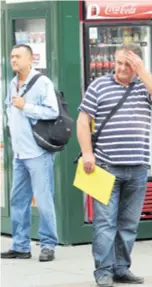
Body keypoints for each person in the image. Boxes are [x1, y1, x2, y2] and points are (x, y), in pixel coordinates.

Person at [77, 43, 152, 287]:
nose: (121, 68)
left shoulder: (144, 86)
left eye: (128, 64)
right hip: (106, 166)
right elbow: (83, 121)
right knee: (105, 223)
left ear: (137, 65)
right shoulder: (99, 86)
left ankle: (121, 268)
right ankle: (103, 271)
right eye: (118, 63)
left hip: (137, 167)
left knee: (129, 223)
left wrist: (142, 72)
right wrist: (87, 153)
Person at [1, 44, 59, 262]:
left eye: (17, 56)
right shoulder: (12, 84)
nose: (13, 60)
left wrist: (26, 107)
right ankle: (20, 245)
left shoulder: (42, 83)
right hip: (19, 154)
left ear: (30, 59)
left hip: (38, 153)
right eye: (11, 56)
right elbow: (9, 110)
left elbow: (52, 111)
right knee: (18, 201)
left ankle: (48, 244)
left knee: (44, 201)